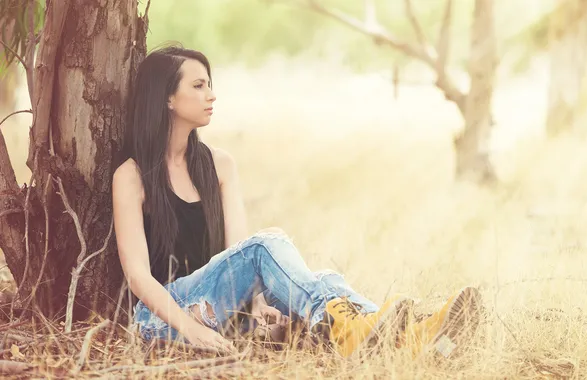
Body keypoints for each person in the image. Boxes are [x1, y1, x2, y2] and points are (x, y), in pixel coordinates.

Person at [111, 43, 482, 359]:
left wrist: (256, 306)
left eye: (210, 84)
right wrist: (191, 330)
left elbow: (233, 255)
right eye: (199, 85)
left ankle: (418, 337)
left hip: (222, 312)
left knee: (325, 281)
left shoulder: (219, 166)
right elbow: (139, 277)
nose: (212, 94)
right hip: (162, 320)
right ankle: (363, 328)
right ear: (168, 98)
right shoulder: (132, 176)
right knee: (266, 246)